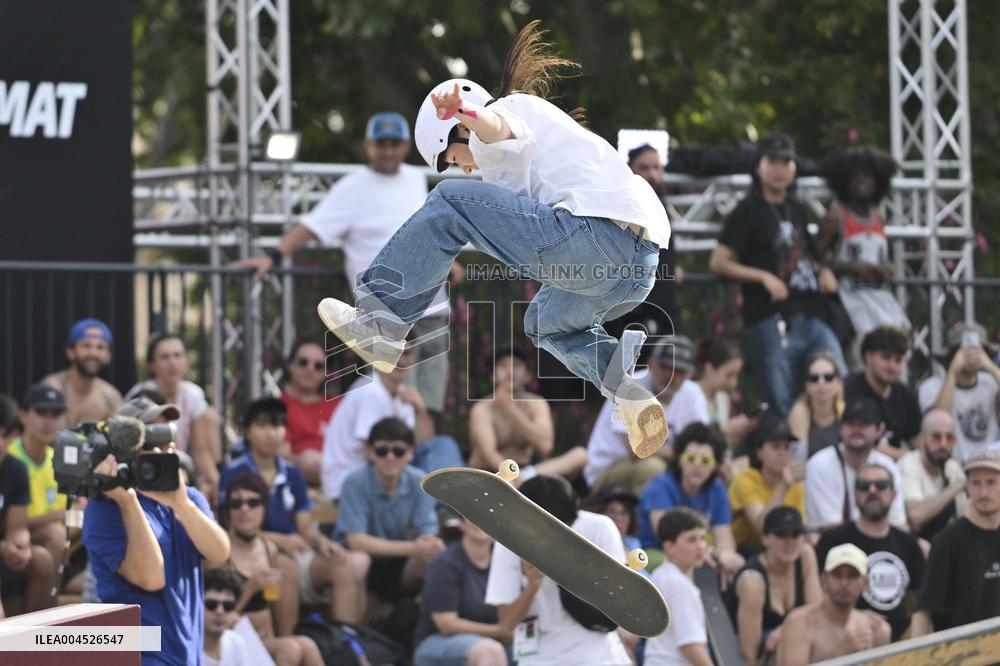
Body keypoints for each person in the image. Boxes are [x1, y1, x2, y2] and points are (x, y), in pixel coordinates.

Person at [317, 21, 672, 461]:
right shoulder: (544, 138)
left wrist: (466, 115)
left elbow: (496, 127)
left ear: (457, 133)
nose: (464, 168)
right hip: (637, 270)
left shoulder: (511, 110)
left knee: (448, 202)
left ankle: (383, 322)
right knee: (544, 324)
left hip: (594, 240)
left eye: (452, 157)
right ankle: (629, 393)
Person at [236, 113, 459, 417]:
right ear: (368, 145)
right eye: (382, 144)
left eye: (395, 143)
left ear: (406, 145)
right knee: (399, 405)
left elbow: (428, 234)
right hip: (388, 317)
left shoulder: (415, 178)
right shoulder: (353, 186)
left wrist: (448, 263)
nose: (388, 150)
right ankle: (401, 461)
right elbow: (312, 226)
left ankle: (422, 463)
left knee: (429, 407)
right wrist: (273, 256)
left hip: (433, 308)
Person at [709, 132, 846, 418]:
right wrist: (763, 277)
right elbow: (718, 262)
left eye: (787, 162)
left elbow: (804, 257)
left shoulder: (794, 207)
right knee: (779, 399)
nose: (780, 168)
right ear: (759, 165)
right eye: (773, 161)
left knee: (837, 381)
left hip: (811, 313)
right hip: (770, 318)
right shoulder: (746, 210)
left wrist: (823, 272)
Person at [220, 398, 366, 626]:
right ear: (248, 432)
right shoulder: (233, 472)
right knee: (285, 567)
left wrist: (321, 542)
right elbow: (226, 528)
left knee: (343, 565)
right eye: (263, 425)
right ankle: (288, 647)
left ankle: (345, 645)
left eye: (278, 425)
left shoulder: (293, 473)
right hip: (251, 552)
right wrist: (277, 540)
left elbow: (305, 525)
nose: (271, 433)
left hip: (295, 549)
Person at [82, 439, 231, 665]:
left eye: (165, 442)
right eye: (149, 443)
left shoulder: (188, 497)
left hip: (186, 652)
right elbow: (151, 578)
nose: (158, 451)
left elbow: (219, 553)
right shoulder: (105, 507)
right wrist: (128, 500)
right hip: (141, 654)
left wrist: (181, 504)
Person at [484, 475, 632, 666]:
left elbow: (619, 605)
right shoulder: (506, 541)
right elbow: (507, 624)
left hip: (598, 653)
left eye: (562, 526)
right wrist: (532, 587)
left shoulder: (599, 527)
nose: (553, 534)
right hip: (540, 655)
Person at [320, 344, 463, 501]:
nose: (400, 360)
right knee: (396, 458)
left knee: (443, 445)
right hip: (348, 484)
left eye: (406, 353)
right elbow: (374, 452)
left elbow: (423, 444)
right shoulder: (370, 390)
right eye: (393, 353)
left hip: (381, 472)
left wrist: (420, 410)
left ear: (414, 358)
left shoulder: (403, 393)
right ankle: (445, 506)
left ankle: (448, 507)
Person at [817, 146, 908, 368]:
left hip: (879, 298)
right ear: (844, 180)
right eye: (855, 176)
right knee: (862, 357)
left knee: (897, 347)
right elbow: (814, 261)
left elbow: (878, 255)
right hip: (850, 301)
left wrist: (886, 269)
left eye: (868, 176)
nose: (862, 181)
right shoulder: (835, 217)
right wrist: (851, 267)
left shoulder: (879, 218)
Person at [334, 417, 443, 603]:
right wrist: (412, 548)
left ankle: (430, 624)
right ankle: (351, 629)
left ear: (410, 453)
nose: (390, 457)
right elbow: (355, 542)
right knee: (359, 561)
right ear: (370, 453)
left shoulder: (420, 481)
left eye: (398, 450)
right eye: (382, 450)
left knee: (437, 559)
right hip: (357, 561)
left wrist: (431, 545)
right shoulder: (355, 481)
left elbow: (427, 532)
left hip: (399, 561)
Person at [584, 336, 709, 495]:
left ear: (690, 373)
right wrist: (683, 454)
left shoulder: (694, 394)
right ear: (651, 363)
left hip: (661, 464)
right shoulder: (630, 385)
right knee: (654, 468)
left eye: (680, 370)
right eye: (666, 366)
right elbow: (637, 451)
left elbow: (703, 443)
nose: (671, 376)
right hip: (607, 471)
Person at [222, 473, 323, 665]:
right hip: (230, 638)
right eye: (236, 504)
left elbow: (269, 604)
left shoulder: (269, 549)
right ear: (227, 511)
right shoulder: (220, 552)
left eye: (253, 503)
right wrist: (251, 587)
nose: (244, 509)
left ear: (264, 509)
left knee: (307, 645)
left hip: (262, 638)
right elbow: (215, 612)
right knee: (290, 649)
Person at [816, 463, 924, 640]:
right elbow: (818, 598)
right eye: (864, 486)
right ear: (855, 495)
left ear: (894, 494)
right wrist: (854, 618)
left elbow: (917, 601)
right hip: (844, 641)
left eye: (881, 485)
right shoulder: (832, 540)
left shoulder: (908, 543)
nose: (872, 490)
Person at [911, 449, 1000, 635]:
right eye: (976, 483)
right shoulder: (947, 540)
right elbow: (923, 610)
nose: (984, 492)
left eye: (991, 482)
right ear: (966, 486)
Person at [637, 422, 744, 577]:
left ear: (715, 466)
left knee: (736, 564)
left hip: (697, 551)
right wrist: (712, 554)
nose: (697, 465)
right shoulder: (661, 486)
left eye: (706, 461)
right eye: (691, 458)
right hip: (653, 552)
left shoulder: (717, 489)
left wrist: (723, 557)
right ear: (679, 459)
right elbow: (667, 536)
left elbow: (725, 542)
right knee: (685, 567)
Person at [126, 333, 222, 501]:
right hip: (144, 471)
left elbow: (201, 452)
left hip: (180, 469)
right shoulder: (140, 395)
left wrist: (217, 485)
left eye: (177, 355)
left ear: (186, 361)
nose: (172, 362)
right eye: (164, 357)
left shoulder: (193, 394)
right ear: (152, 365)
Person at [468, 347, 586, 483]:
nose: (510, 371)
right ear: (493, 376)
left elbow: (545, 446)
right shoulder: (482, 408)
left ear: (527, 376)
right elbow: (487, 452)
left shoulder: (537, 403)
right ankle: (520, 480)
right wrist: (513, 477)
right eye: (502, 365)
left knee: (581, 455)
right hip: (492, 474)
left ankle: (526, 477)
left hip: (525, 472)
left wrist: (511, 409)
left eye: (516, 365)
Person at [605, 143, 684, 337]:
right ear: (630, 169)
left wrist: (673, 268)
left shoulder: (661, 206)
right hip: (629, 309)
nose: (652, 174)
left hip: (663, 306)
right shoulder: (620, 205)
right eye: (644, 167)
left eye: (656, 167)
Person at [413, 518, 511, 666]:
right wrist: (499, 631)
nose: (481, 521)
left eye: (487, 516)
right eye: (473, 515)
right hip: (437, 642)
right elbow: (446, 625)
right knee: (491, 652)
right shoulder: (445, 563)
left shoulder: (506, 563)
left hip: (494, 640)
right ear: (462, 524)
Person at [732, 507, 821, 665]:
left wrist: (786, 630)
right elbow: (748, 653)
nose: (790, 542)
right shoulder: (753, 581)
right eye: (781, 535)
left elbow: (817, 611)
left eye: (795, 534)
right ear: (765, 539)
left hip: (795, 646)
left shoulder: (805, 555)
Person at [777, 543, 890, 664]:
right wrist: (841, 652)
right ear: (824, 580)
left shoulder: (875, 629)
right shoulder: (800, 622)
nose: (844, 583)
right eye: (837, 574)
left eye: (852, 575)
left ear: (865, 583)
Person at [805, 396, 907, 531]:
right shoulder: (819, 464)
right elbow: (828, 528)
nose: (856, 429)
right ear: (840, 428)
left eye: (864, 424)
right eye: (850, 423)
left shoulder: (888, 466)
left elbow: (898, 522)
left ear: (880, 430)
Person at [0, 394, 53, 615]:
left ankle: (28, 638)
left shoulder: (16, 469)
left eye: (6, 436)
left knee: (42, 560)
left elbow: (17, 525)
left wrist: (19, 544)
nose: (1, 443)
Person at [917, 321, 1000, 463]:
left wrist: (990, 366)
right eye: (963, 350)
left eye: (977, 349)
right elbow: (938, 420)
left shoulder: (991, 382)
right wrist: (953, 371)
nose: (971, 355)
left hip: (990, 464)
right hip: (950, 464)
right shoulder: (932, 386)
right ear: (951, 354)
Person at [9, 385, 69, 573]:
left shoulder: (60, 459)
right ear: (23, 415)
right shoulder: (8, 457)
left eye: (56, 413)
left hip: (61, 554)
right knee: (55, 534)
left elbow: (70, 519)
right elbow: (11, 525)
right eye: (41, 412)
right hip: (13, 542)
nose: (49, 421)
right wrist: (59, 516)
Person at [643, 507, 710, 666]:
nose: (701, 546)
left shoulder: (662, 574)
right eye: (691, 540)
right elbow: (690, 645)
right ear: (669, 547)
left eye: (702, 538)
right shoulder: (677, 584)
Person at [728, 418, 806, 554]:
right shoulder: (746, 479)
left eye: (787, 448)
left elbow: (799, 529)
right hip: (741, 550)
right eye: (775, 446)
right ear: (759, 452)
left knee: (806, 550)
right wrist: (784, 486)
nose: (782, 453)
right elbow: (762, 526)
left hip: (777, 549)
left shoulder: (795, 485)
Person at [843, 325, 921, 458]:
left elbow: (919, 442)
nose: (892, 366)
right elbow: (861, 443)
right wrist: (909, 457)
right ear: (868, 356)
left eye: (898, 360)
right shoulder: (848, 389)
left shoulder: (904, 395)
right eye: (885, 357)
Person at [280, 339, 341, 487]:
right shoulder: (277, 407)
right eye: (303, 362)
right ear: (290, 365)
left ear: (327, 372)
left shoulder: (339, 406)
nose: (310, 369)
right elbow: (281, 457)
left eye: (318, 366)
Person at [899, 409, 967, 541]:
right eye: (936, 437)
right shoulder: (909, 463)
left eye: (949, 437)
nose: (943, 444)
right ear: (921, 438)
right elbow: (915, 516)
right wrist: (958, 486)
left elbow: (964, 516)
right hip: (918, 545)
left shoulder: (952, 468)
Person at [42, 318, 123, 426]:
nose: (93, 353)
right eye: (86, 346)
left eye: (100, 347)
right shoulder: (52, 388)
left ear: (109, 356)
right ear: (70, 352)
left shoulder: (110, 398)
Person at [695, 337, 753, 452]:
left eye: (736, 376)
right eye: (729, 375)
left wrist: (737, 434)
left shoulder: (723, 399)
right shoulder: (691, 394)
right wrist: (723, 430)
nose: (734, 383)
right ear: (709, 369)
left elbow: (726, 449)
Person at [788, 349, 844, 458]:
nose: (821, 382)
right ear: (806, 385)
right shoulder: (799, 412)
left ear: (839, 383)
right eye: (814, 378)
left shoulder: (846, 411)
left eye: (828, 377)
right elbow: (798, 462)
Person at [203, 566, 252, 666]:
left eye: (228, 606)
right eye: (211, 604)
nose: (220, 611)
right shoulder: (177, 643)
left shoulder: (237, 643)